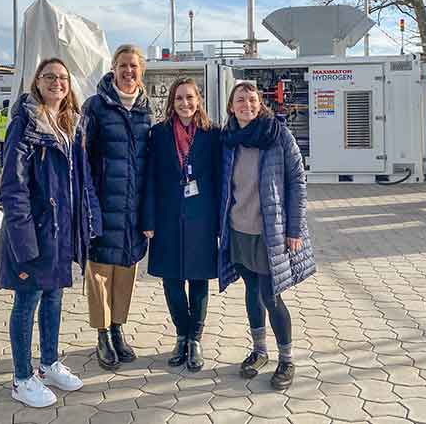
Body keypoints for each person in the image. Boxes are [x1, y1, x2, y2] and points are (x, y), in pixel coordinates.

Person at [0, 58, 102, 407]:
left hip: (60, 233)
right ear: (37, 83)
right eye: (49, 77)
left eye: (63, 78)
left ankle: (48, 364)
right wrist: (23, 245)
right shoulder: (24, 125)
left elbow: (79, 181)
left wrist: (85, 226)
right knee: (28, 301)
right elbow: (13, 188)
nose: (57, 82)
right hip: (34, 233)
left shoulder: (71, 124)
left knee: (54, 298)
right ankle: (22, 378)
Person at [218, 82, 315, 391]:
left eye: (252, 99)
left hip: (269, 231)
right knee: (251, 290)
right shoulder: (227, 139)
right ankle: (259, 351)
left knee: (270, 296)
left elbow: (297, 181)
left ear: (260, 103)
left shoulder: (277, 134)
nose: (246, 104)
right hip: (238, 229)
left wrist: (294, 229)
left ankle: (286, 359)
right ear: (231, 107)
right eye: (240, 100)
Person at [142, 78, 221, 372]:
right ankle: (181, 335)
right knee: (172, 281)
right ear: (171, 103)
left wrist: (220, 223)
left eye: (189, 98)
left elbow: (219, 178)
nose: (185, 104)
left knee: (199, 280)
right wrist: (148, 219)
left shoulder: (213, 134)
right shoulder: (159, 134)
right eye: (179, 99)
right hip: (167, 217)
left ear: (198, 99)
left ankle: (195, 340)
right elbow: (150, 178)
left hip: (202, 217)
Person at [81, 44, 152, 370]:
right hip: (102, 204)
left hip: (133, 208)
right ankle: (102, 335)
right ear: (113, 68)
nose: (128, 72)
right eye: (123, 66)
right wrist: (88, 206)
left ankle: (118, 328)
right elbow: (82, 160)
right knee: (99, 274)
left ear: (142, 71)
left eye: (133, 67)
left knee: (126, 272)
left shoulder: (146, 110)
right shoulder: (95, 107)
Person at [0, 99, 10, 166]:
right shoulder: (11, 112)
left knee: (2, 152)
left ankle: (2, 164)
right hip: (9, 136)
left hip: (1, 137)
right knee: (9, 152)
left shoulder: (0, 113)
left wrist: (2, 125)